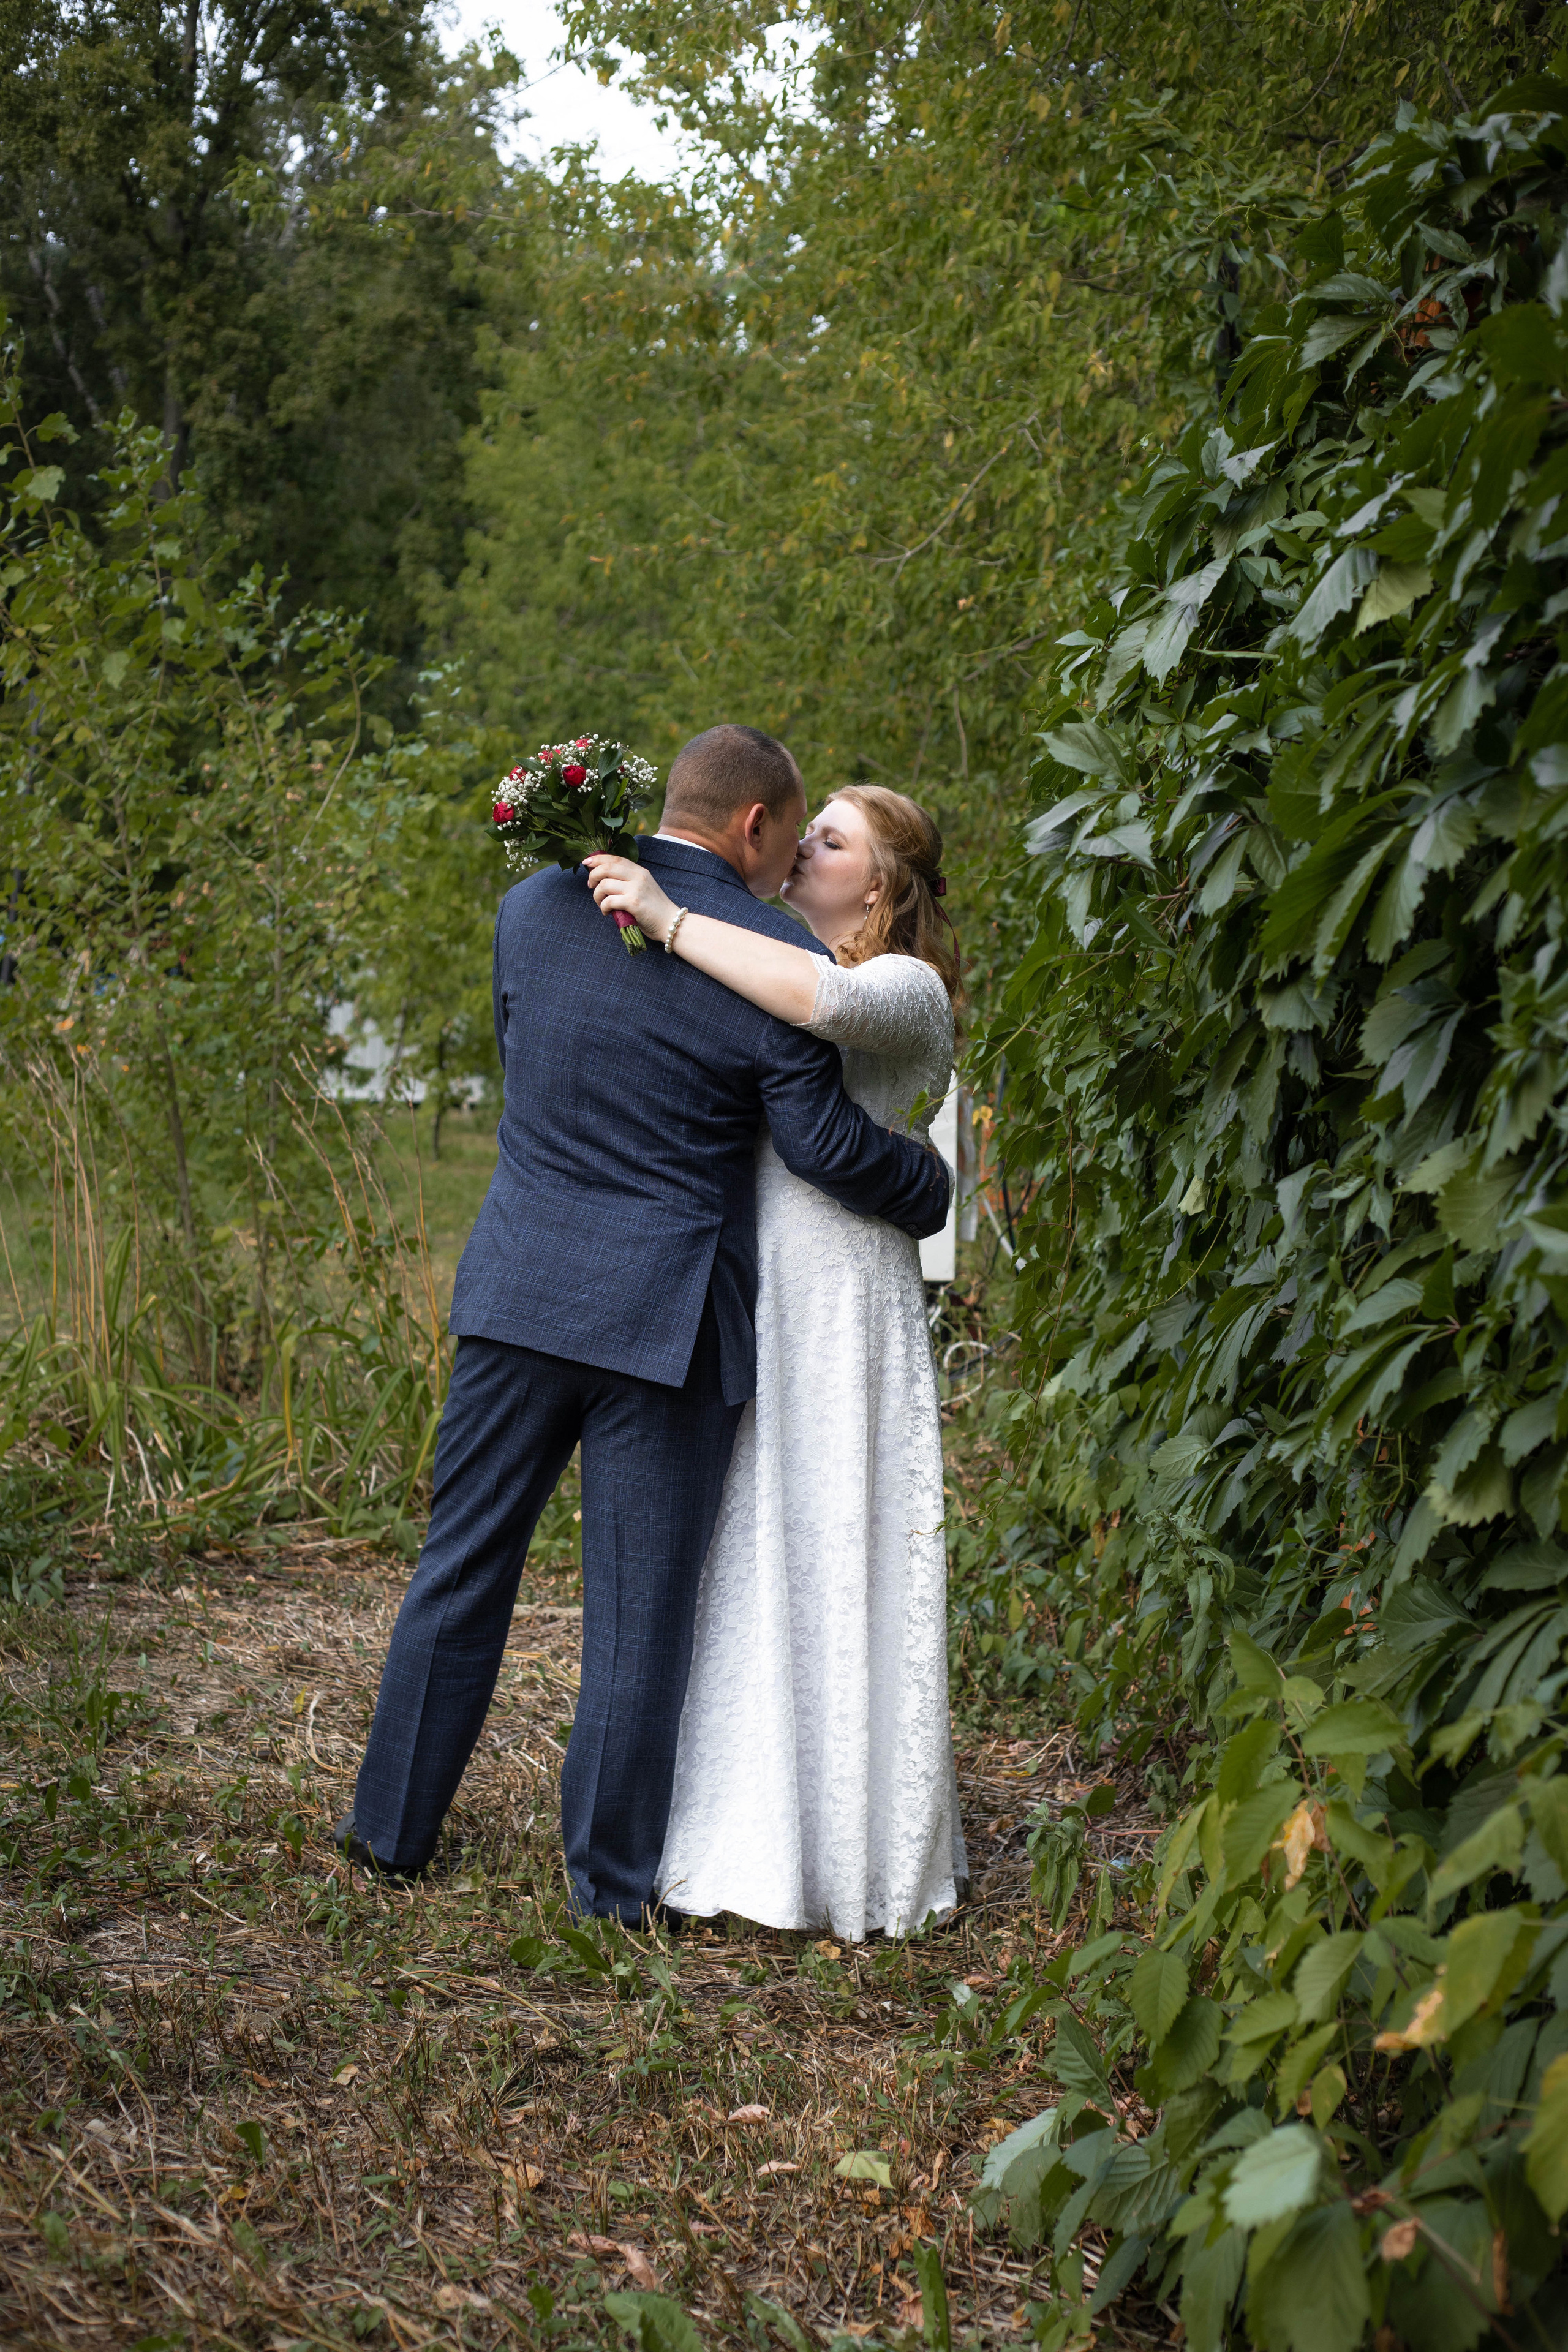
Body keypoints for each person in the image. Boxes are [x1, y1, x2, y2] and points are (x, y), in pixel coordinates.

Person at [334, 727, 950, 1923]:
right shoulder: (771, 953)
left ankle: (387, 1837)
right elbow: (822, 1150)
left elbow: (529, 1066)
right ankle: (608, 1894)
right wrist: (928, 1188)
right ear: (755, 830)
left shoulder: (531, 908)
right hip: (664, 1327)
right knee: (636, 1621)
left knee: (460, 1567)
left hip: (520, 1290)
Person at [585, 783, 967, 1939]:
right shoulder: (769, 956)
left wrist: (668, 911)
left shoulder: (907, 990)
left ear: (884, 887)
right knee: (754, 1547)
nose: (805, 845)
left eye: (835, 839)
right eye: (808, 827)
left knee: (837, 1540)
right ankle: (746, 1837)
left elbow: (820, 1000)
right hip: (759, 1289)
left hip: (845, 1299)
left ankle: (848, 1850)